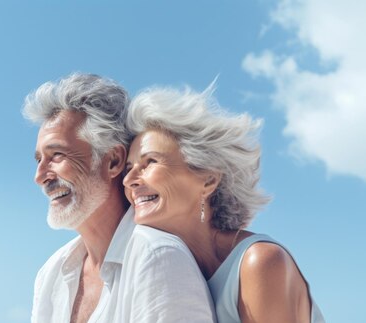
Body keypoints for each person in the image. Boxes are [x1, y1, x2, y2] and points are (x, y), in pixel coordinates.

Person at [122, 84, 325, 323]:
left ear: (208, 180)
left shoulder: (259, 262)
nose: (129, 180)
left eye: (150, 162)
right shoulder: (167, 269)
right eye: (128, 168)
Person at [23, 73, 216, 323]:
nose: (40, 176)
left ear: (113, 160)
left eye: (57, 155)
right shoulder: (51, 274)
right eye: (39, 160)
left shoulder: (158, 258)